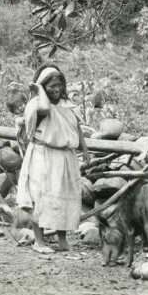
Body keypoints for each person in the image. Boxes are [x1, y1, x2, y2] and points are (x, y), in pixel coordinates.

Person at [16, 63, 90, 253]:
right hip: (44, 155)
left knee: (64, 198)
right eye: (51, 86)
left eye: (59, 85)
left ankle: (62, 240)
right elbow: (44, 109)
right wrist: (40, 89)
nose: (56, 89)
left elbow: (77, 127)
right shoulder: (36, 104)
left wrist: (85, 151)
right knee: (41, 197)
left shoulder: (66, 104)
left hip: (66, 157)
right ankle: (39, 242)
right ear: (43, 86)